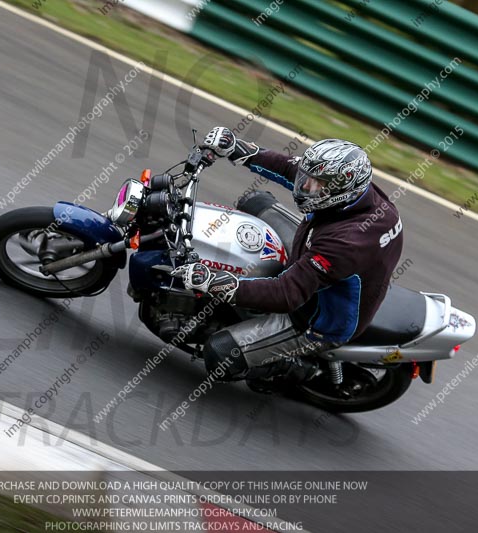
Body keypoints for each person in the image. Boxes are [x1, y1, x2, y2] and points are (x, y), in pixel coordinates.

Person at [171, 127, 404, 392]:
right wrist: (238, 148)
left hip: (314, 317)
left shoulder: (346, 243)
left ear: (340, 191)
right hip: (319, 250)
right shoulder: (359, 192)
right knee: (255, 200)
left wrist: (216, 284)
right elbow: (289, 168)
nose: (305, 186)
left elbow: (286, 295)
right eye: (309, 177)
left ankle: (290, 369)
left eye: (316, 184)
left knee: (220, 353)